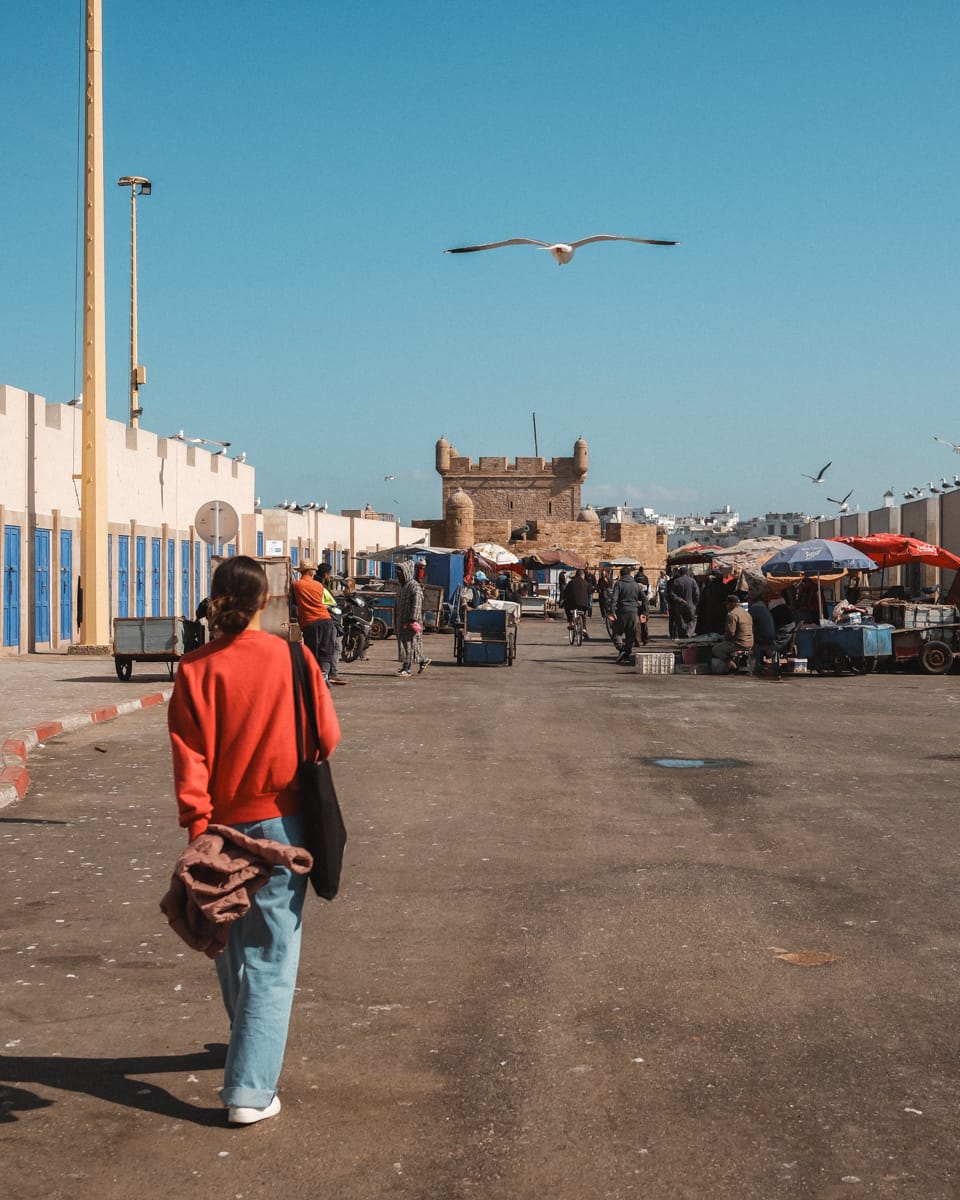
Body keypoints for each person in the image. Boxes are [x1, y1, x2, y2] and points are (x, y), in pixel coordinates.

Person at [167, 556, 341, 1125]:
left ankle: (247, 1044)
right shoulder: (293, 657)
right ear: (266, 601)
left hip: (219, 827)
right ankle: (249, 1090)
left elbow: (189, 757)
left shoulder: (194, 669)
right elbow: (328, 738)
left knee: (230, 942)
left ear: (215, 600)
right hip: (282, 826)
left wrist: (199, 831)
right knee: (271, 955)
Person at [291, 560, 337, 684]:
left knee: (312, 651)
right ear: (311, 571)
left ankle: (314, 677)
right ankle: (323, 676)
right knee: (326, 651)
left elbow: (293, 604)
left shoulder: (296, 586)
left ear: (301, 572)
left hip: (309, 623)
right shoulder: (318, 585)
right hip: (325, 620)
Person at [395, 560, 431, 677]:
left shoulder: (414, 586)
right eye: (398, 573)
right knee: (407, 645)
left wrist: (413, 619)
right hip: (402, 620)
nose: (399, 576)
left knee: (410, 644)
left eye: (401, 573)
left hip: (411, 621)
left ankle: (407, 668)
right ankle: (423, 660)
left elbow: (417, 604)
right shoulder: (401, 587)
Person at [316, 562, 347, 685]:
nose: (330, 576)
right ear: (326, 574)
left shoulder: (322, 584)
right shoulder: (319, 585)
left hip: (330, 617)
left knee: (333, 646)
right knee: (335, 646)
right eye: (329, 574)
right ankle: (331, 674)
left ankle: (330, 673)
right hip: (329, 618)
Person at [712, 593, 754, 671]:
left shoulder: (732, 614)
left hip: (739, 643)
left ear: (731, 604)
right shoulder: (746, 613)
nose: (726, 607)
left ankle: (730, 663)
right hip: (750, 642)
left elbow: (730, 633)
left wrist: (724, 639)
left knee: (716, 649)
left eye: (727, 604)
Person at [610, 566, 643, 664]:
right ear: (629, 574)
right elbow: (644, 598)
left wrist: (612, 611)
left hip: (622, 611)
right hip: (633, 613)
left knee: (616, 632)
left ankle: (621, 649)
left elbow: (614, 599)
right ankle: (626, 654)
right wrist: (644, 611)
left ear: (621, 575)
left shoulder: (619, 584)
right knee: (630, 635)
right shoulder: (636, 585)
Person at [748, 592, 779, 677]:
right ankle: (759, 664)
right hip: (771, 638)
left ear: (751, 600)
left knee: (748, 641)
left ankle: (754, 667)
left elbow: (745, 623)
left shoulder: (754, 609)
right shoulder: (764, 608)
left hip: (763, 639)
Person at [669, 567, 700, 638]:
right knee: (692, 620)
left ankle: (682, 637)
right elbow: (697, 594)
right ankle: (689, 633)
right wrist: (695, 603)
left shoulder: (676, 581)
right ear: (686, 573)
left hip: (680, 605)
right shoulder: (692, 581)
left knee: (681, 621)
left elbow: (672, 594)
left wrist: (680, 600)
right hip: (691, 604)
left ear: (680, 573)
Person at [563, 568, 592, 638]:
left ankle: (570, 622)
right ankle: (584, 629)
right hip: (584, 604)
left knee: (567, 606)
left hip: (573, 604)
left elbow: (565, 593)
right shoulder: (587, 583)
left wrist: (565, 597)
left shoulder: (571, 583)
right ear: (583, 575)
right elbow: (590, 592)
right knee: (583, 614)